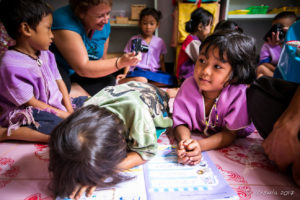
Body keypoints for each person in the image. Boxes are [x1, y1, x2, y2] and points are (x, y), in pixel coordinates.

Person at [48, 81, 173, 199]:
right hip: (128, 91)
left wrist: (101, 174)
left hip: (154, 95)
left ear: (121, 142)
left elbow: (146, 152)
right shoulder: (83, 112)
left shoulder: (139, 118)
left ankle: (173, 91)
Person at [0, 0, 85, 143]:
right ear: (26, 29)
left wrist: (69, 111)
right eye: (48, 28)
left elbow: (60, 83)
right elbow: (31, 103)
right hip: (30, 110)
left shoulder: (47, 54)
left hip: (53, 105)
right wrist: (64, 116)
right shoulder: (10, 64)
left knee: (88, 103)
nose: (52, 35)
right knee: (67, 132)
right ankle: (5, 133)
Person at [172, 31, 256, 165]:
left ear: (234, 75)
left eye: (217, 66)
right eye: (202, 60)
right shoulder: (188, 86)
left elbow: (229, 135)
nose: (205, 70)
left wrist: (199, 145)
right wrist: (185, 142)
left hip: (230, 133)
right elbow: (180, 122)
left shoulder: (239, 94)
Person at [50, 0, 141, 96]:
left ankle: (68, 94)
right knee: (61, 86)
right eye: (100, 16)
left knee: (108, 80)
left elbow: (101, 60)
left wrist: (124, 63)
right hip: (60, 68)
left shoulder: (104, 24)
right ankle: (62, 95)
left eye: (108, 13)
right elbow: (83, 68)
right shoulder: (64, 20)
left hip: (81, 73)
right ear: (82, 13)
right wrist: (120, 62)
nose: (106, 20)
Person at [118, 7, 176, 87]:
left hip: (153, 73)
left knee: (171, 80)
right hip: (138, 71)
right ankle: (125, 81)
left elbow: (162, 60)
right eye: (145, 23)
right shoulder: (136, 40)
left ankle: (145, 84)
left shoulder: (159, 41)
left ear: (157, 25)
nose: (148, 27)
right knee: (142, 79)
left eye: (151, 24)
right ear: (140, 24)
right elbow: (129, 58)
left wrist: (163, 74)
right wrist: (125, 74)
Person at [175, 7, 213, 81]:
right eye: (210, 25)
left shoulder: (196, 40)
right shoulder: (192, 41)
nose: (211, 29)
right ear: (200, 27)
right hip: (186, 76)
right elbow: (203, 59)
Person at [256, 11, 296, 78]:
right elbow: (264, 63)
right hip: (277, 74)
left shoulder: (296, 42)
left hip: (293, 74)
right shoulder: (267, 45)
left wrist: (285, 43)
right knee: (260, 69)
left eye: (281, 29)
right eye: (275, 28)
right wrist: (279, 71)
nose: (277, 32)